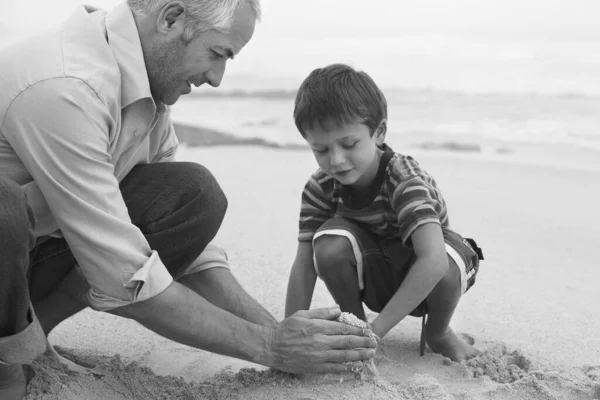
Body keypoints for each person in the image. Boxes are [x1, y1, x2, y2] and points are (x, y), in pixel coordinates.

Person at [0, 2, 376, 398]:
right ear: (171, 18)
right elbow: (120, 272)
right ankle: (9, 362)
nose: (216, 78)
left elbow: (178, 242)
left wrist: (279, 335)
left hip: (23, 263)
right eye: (217, 54)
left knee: (193, 196)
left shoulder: (145, 94)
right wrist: (272, 347)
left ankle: (28, 338)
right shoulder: (68, 84)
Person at [284, 63, 484, 363]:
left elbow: (432, 262)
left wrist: (378, 331)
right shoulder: (320, 187)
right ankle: (356, 328)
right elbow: (304, 266)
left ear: (379, 132)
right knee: (327, 244)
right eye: (321, 150)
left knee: (443, 256)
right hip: (375, 280)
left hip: (432, 285)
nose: (336, 160)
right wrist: (289, 337)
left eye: (348, 144)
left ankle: (438, 333)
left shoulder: (403, 179)